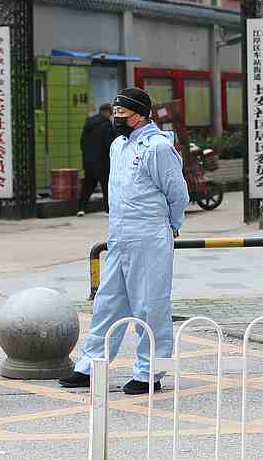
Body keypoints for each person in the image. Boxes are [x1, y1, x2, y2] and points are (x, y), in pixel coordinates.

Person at [59, 88, 188, 394]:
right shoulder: (118, 145)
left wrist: (171, 225)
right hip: (119, 235)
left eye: (122, 114)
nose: (116, 119)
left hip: (149, 235)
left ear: (141, 115)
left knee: (149, 306)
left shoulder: (158, 148)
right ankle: (92, 366)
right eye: (115, 113)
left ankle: (150, 372)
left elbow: (177, 193)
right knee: (108, 304)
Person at [77, 103, 114, 216]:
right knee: (106, 185)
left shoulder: (89, 122)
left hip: (89, 161)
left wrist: (86, 156)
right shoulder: (107, 125)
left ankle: (81, 209)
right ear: (107, 112)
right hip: (102, 161)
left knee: (87, 185)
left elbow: (82, 142)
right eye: (111, 113)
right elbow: (109, 144)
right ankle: (108, 209)